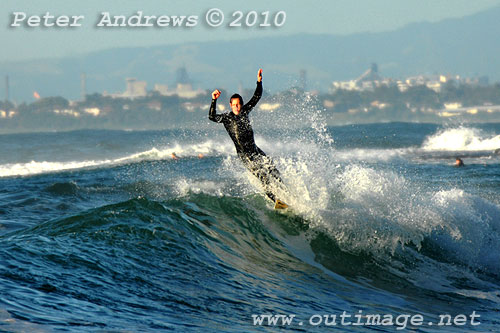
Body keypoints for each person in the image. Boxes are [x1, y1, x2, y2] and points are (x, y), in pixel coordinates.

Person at [209, 68, 286, 207]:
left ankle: (286, 194)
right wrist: (213, 100)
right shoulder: (226, 118)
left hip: (256, 150)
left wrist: (259, 82)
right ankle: (276, 202)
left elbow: (257, 97)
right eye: (234, 105)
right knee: (264, 178)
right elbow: (212, 117)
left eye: (239, 104)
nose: (237, 107)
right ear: (231, 105)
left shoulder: (245, 111)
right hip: (245, 156)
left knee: (274, 171)